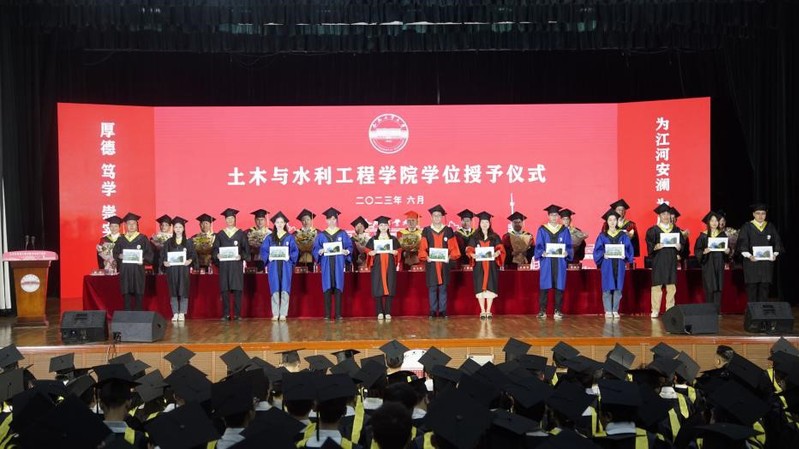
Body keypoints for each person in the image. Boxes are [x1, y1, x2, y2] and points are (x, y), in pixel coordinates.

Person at [418, 205, 461, 318]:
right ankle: (432, 310)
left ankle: (442, 310)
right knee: (432, 288)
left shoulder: (448, 230)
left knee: (443, 288)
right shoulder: (426, 230)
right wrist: (426, 257)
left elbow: (454, 248)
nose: (437, 217)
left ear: (442, 217)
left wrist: (449, 257)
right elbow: (422, 248)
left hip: (444, 264)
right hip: (432, 264)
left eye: (439, 215)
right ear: (431, 217)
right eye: (434, 215)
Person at [645, 203, 686, 318]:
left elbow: (682, 245)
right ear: (659, 216)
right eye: (663, 214)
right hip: (659, 260)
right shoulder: (653, 230)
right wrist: (655, 247)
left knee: (671, 286)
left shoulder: (676, 230)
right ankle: (655, 309)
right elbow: (649, 245)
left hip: (671, 260)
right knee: (657, 285)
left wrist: (679, 247)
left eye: (668, 214)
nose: (666, 216)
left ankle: (670, 309)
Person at [737, 203, 784, 302]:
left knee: (764, 289)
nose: (760, 216)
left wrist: (775, 254)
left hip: (766, 264)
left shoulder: (770, 226)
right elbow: (742, 244)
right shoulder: (747, 227)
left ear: (766, 214)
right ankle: (752, 311)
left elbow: (777, 242)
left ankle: (762, 310)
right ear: (753, 214)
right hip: (751, 263)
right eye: (758, 213)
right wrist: (749, 256)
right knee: (752, 289)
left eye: (763, 213)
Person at [312, 207, 353, 321]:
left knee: (338, 287)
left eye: (334, 219)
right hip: (326, 264)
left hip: (338, 264)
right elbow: (315, 249)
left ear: (336, 220)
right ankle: (327, 314)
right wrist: (319, 251)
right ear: (326, 220)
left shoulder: (342, 234)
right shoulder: (321, 235)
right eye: (329, 219)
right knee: (327, 288)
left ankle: (338, 314)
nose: (331, 221)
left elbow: (349, 246)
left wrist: (346, 251)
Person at [593, 210, 635, 319]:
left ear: (617, 221)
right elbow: (597, 250)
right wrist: (603, 254)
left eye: (614, 220)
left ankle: (615, 310)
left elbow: (629, 249)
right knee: (607, 287)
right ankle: (608, 310)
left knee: (618, 287)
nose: (612, 222)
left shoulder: (622, 235)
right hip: (607, 264)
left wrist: (625, 255)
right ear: (607, 222)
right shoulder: (602, 236)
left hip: (619, 264)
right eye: (610, 220)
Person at [534, 205, 573, 320]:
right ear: (548, 216)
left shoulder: (564, 230)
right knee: (544, 286)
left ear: (558, 217)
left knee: (559, 286)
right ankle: (542, 311)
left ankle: (558, 310)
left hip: (560, 262)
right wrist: (541, 252)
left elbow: (569, 245)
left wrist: (567, 252)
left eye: (556, 215)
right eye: (552, 215)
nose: (554, 217)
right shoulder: (542, 229)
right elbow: (539, 245)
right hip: (547, 261)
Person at [260, 211, 300, 321]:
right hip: (273, 266)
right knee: (275, 288)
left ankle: (283, 313)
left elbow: (295, 251)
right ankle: (275, 313)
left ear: (285, 224)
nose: (280, 224)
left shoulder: (289, 237)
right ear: (274, 224)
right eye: (277, 222)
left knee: (285, 289)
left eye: (282, 222)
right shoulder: (269, 238)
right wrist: (268, 257)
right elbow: (264, 250)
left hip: (286, 266)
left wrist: (290, 257)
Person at [466, 211, 505, 319]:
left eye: (486, 222)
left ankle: (488, 311)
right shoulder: (475, 236)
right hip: (479, 266)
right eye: (483, 222)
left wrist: (498, 253)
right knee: (480, 287)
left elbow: (501, 249)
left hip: (491, 266)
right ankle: (482, 310)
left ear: (489, 223)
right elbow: (469, 249)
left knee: (490, 287)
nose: (484, 224)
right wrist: (472, 254)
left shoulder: (494, 236)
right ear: (479, 223)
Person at [213, 208, 249, 320]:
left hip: (236, 266)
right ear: (225, 220)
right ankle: (226, 314)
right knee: (224, 290)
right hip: (224, 266)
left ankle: (237, 314)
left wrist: (241, 256)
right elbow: (215, 249)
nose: (230, 220)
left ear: (235, 219)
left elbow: (246, 251)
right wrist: (217, 255)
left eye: (232, 218)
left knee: (237, 289)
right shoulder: (220, 234)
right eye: (228, 218)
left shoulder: (241, 234)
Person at [112, 213, 154, 311]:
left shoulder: (142, 238)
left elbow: (150, 253)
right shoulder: (121, 239)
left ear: (137, 225)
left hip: (138, 269)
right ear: (125, 225)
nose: (131, 226)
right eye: (129, 224)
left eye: (133, 223)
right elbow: (115, 252)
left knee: (138, 291)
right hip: (125, 270)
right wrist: (119, 256)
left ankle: (138, 314)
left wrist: (143, 260)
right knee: (126, 292)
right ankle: (127, 314)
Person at [160, 216, 197, 322]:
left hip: (183, 270)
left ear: (183, 228)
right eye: (176, 227)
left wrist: (189, 260)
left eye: (180, 227)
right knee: (173, 291)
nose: (178, 229)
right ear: (173, 228)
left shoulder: (188, 242)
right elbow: (163, 256)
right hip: (172, 270)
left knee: (183, 290)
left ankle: (182, 313)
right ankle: (175, 313)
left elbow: (193, 255)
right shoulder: (168, 242)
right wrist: (164, 262)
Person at [366, 216, 402, 321]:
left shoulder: (393, 239)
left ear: (388, 226)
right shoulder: (373, 239)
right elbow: (367, 250)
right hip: (378, 266)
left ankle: (388, 312)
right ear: (378, 226)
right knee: (377, 287)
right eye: (381, 225)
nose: (383, 227)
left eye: (385, 225)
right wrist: (371, 253)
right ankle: (380, 312)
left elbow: (399, 250)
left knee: (390, 286)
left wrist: (395, 252)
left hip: (390, 266)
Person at [694, 211, 730, 313]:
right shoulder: (703, 236)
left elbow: (728, 250)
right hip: (708, 264)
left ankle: (717, 311)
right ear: (708, 222)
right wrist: (703, 252)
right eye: (712, 221)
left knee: (718, 286)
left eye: (716, 221)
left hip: (719, 263)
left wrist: (728, 251)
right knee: (709, 286)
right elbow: (697, 250)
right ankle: (709, 310)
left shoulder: (722, 235)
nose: (714, 223)